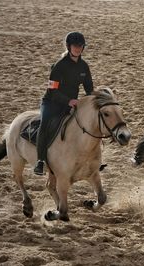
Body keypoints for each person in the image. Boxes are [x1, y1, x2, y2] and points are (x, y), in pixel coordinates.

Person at [34, 31, 94, 175]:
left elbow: (89, 89)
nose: (78, 48)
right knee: (45, 124)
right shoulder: (59, 66)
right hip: (51, 103)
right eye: (75, 46)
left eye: (80, 46)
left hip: (71, 104)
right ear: (68, 46)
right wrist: (69, 101)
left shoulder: (84, 67)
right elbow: (52, 90)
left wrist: (93, 101)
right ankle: (40, 161)